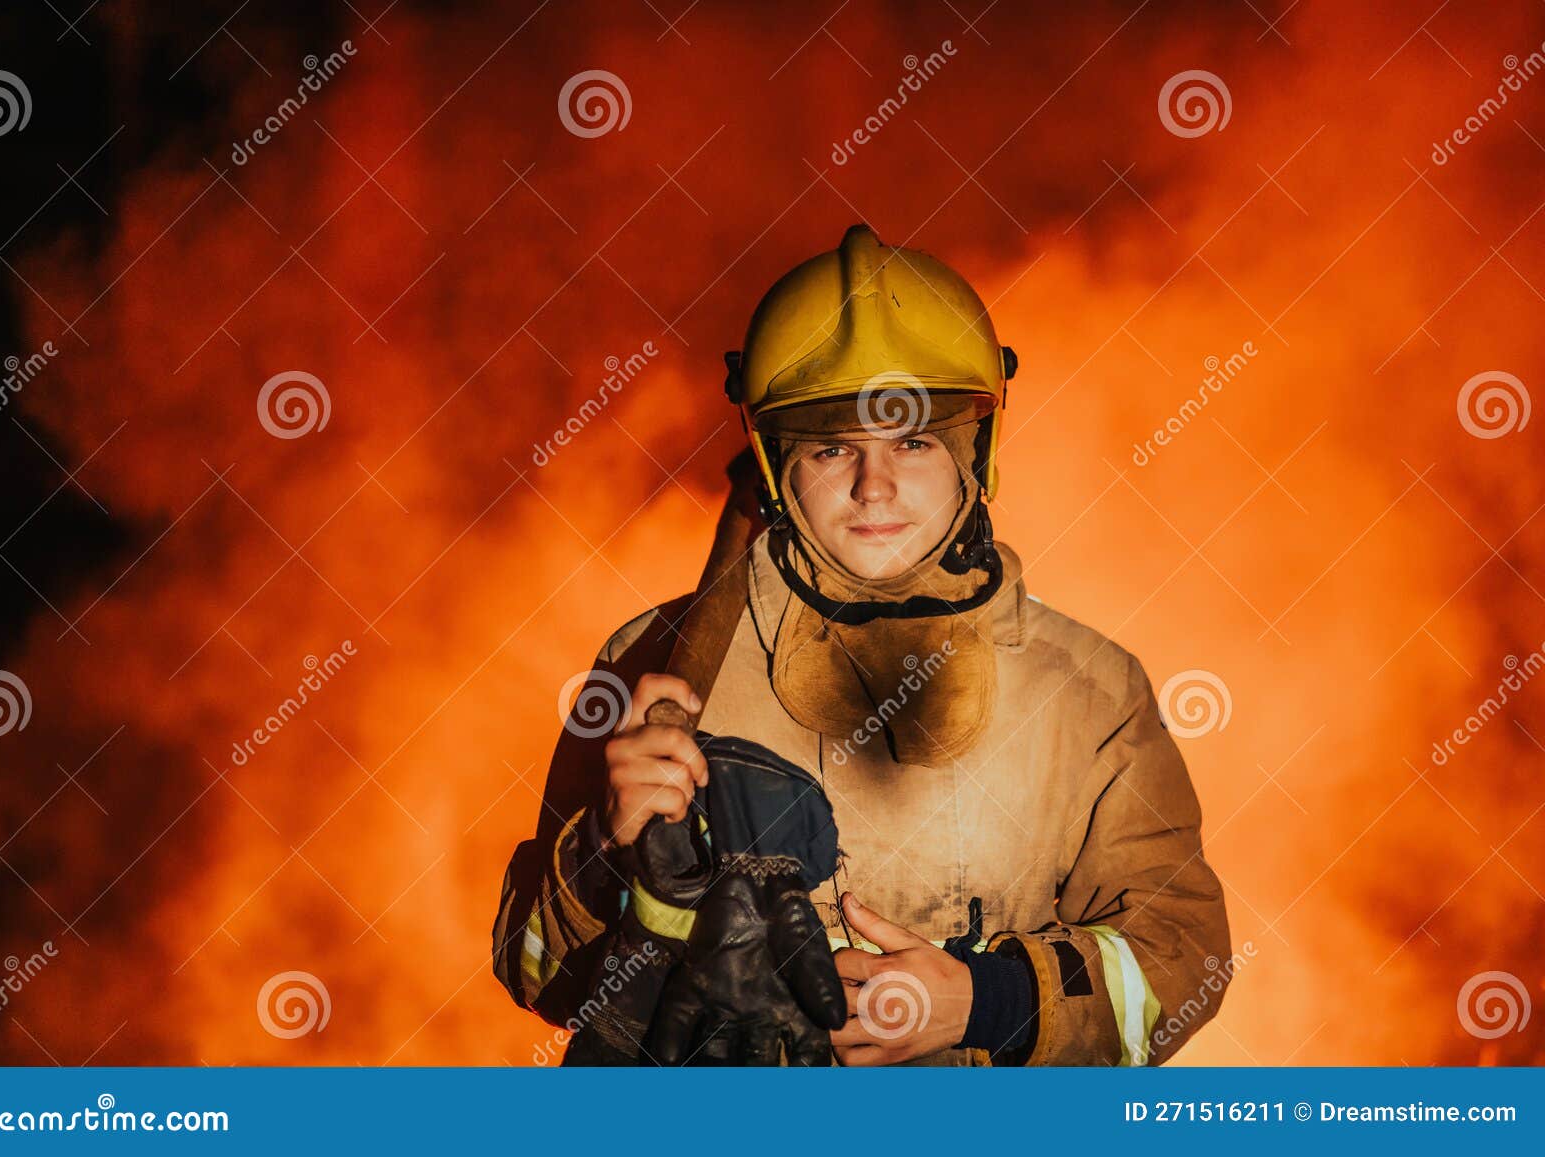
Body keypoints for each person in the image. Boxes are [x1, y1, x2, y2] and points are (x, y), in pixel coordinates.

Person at [494, 224, 1231, 1066]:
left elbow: (1185, 960)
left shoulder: (1090, 693)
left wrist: (988, 1002)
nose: (872, 484)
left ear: (974, 451)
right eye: (833, 444)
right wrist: (605, 854)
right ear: (776, 463)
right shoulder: (652, 669)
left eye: (913, 441)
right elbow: (532, 969)